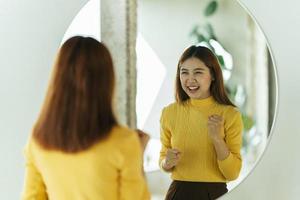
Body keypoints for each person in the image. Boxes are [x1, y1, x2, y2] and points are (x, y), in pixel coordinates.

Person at [21, 36, 150, 200]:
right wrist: (137, 157)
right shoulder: (124, 142)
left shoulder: (39, 139)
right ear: (107, 82)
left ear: (57, 79)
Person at [159, 45, 243, 200]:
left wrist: (217, 139)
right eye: (184, 72)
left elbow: (232, 173)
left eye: (198, 72)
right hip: (177, 193)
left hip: (215, 194)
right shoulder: (169, 113)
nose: (190, 79)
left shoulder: (230, 115)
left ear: (213, 75)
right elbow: (163, 159)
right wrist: (167, 162)